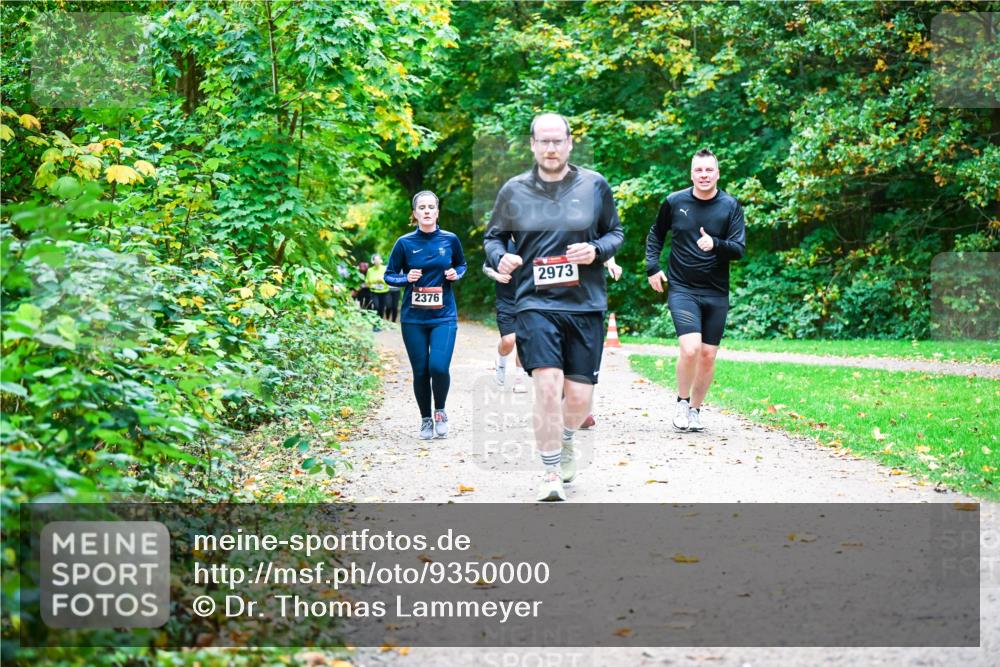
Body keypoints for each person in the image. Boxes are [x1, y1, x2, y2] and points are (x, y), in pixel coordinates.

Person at [484, 113, 624, 501]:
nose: (550, 148)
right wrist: (501, 258)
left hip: (585, 305)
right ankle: (549, 475)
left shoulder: (594, 185)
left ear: (569, 143)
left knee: (578, 399)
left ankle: (564, 440)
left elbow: (616, 233)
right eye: (543, 141)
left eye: (557, 141)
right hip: (534, 303)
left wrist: (596, 250)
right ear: (532, 144)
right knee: (547, 385)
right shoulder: (513, 191)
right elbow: (493, 238)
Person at [645, 148, 746, 432]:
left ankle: (695, 411)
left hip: (716, 292)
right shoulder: (675, 202)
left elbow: (738, 249)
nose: (704, 175)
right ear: (691, 174)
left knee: (707, 355)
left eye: (709, 170)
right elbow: (655, 234)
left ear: (717, 173)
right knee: (690, 349)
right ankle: (681, 401)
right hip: (682, 288)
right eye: (698, 170)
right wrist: (652, 267)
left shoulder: (730, 206)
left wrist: (715, 244)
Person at [385, 190, 467, 440]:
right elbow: (389, 275)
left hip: (444, 315)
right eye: (422, 207)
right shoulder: (405, 243)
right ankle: (425, 420)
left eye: (431, 207)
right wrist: (405, 278)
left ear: (437, 212)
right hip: (413, 318)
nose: (427, 211)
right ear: (415, 213)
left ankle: (440, 411)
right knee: (421, 371)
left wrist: (456, 273)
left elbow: (462, 264)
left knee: (439, 367)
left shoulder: (450, 239)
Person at [483, 239, 528, 393]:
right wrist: (496, 275)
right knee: (508, 341)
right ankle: (501, 363)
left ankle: (519, 379)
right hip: (506, 300)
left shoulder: (532, 240)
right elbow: (486, 267)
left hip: (528, 300)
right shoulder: (501, 244)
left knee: (523, 339)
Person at [366, 254, 390, 329]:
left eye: (378, 259)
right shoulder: (370, 270)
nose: (377, 261)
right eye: (375, 260)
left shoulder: (385, 268)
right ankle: (375, 323)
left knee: (382, 308)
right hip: (374, 291)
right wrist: (373, 284)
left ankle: (379, 323)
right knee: (376, 307)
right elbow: (367, 281)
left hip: (384, 291)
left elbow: (388, 280)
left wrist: (381, 281)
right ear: (373, 261)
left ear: (381, 260)